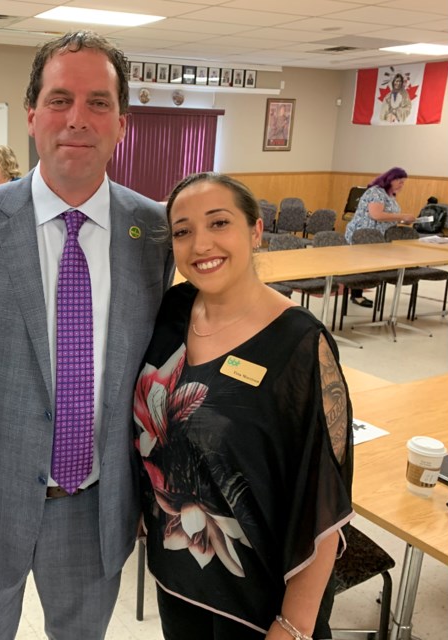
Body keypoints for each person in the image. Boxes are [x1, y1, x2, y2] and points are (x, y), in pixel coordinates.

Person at [0, 30, 173, 639]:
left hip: (99, 506)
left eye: (99, 103)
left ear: (121, 124)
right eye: (59, 100)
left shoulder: (153, 231)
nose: (78, 118)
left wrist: (147, 497)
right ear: (31, 116)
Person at [135, 172, 353, 640]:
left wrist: (293, 626)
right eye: (183, 231)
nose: (200, 245)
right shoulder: (172, 312)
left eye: (219, 223)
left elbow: (322, 500)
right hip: (179, 579)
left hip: (260, 603)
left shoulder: (299, 345)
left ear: (256, 231)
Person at [344, 166, 417, 306]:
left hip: (378, 235)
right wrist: (402, 216)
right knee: (360, 265)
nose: (402, 185)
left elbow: (389, 216)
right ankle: (356, 295)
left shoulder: (390, 195)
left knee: (368, 265)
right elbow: (376, 215)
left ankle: (358, 293)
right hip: (364, 233)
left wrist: (403, 220)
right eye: (400, 182)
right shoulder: (376, 192)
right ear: (391, 179)